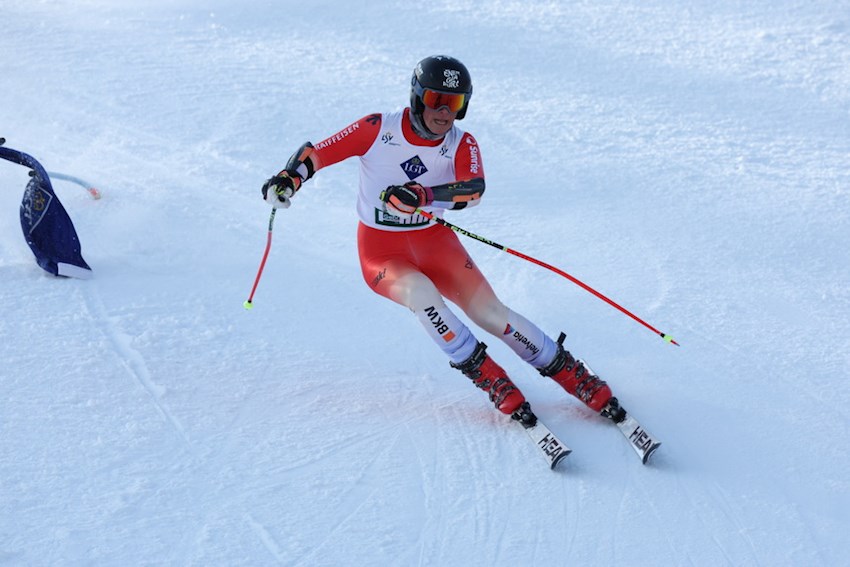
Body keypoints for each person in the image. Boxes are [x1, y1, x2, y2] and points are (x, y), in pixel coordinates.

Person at [261, 55, 624, 426]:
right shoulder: (378, 128)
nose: (445, 112)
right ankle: (490, 377)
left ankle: (571, 373)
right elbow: (319, 153)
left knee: (491, 314)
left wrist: (423, 195)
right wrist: (289, 179)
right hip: (382, 252)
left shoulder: (462, 143)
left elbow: (473, 188)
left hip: (435, 243)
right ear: (418, 97)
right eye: (437, 100)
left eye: (454, 103)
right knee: (421, 295)